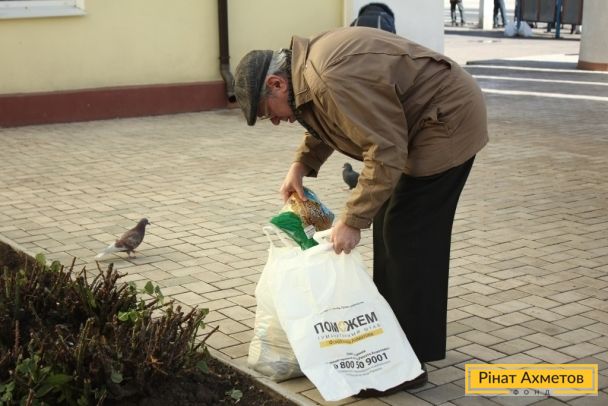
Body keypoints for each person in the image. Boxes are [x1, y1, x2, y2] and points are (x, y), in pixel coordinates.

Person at [233, 27, 488, 395]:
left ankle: (407, 365)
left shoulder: (328, 77)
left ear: (276, 84)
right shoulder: (309, 76)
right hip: (418, 125)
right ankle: (395, 342)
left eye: (266, 112)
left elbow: (385, 148)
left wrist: (352, 220)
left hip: (445, 122)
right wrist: (301, 165)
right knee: (390, 228)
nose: (274, 121)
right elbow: (329, 116)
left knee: (408, 238)